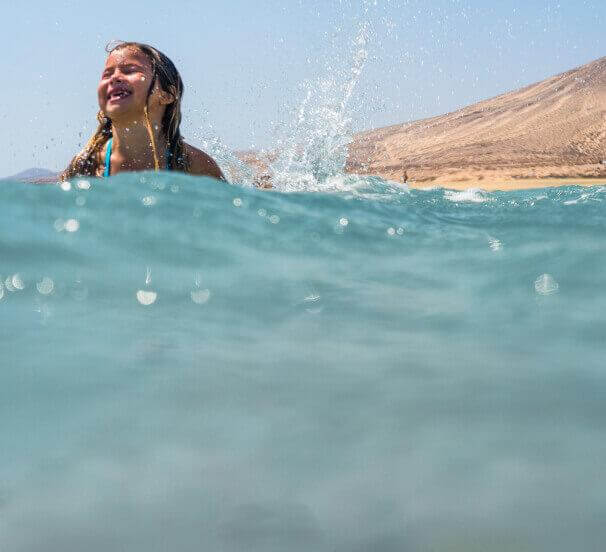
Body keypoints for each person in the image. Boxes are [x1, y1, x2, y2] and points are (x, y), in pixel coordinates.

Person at [61, 41, 224, 181]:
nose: (114, 77)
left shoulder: (194, 166)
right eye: (107, 74)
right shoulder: (86, 165)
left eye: (130, 70)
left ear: (167, 95)